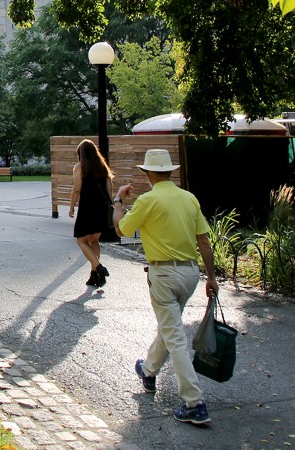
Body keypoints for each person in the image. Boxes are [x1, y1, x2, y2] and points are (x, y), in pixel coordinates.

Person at [114, 149, 219, 427]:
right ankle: (148, 370)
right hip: (189, 273)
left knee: (174, 335)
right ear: (170, 171)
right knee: (169, 325)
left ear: (147, 173)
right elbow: (204, 242)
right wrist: (211, 276)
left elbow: (121, 230)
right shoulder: (188, 198)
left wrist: (117, 202)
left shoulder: (148, 200)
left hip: (163, 272)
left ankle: (194, 403)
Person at [68, 139, 115, 288]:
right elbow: (110, 190)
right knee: (94, 241)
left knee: (81, 241)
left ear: (80, 153)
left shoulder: (79, 167)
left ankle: (99, 267)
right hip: (101, 209)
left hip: (87, 207)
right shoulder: (102, 167)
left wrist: (71, 207)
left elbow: (76, 189)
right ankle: (94, 274)